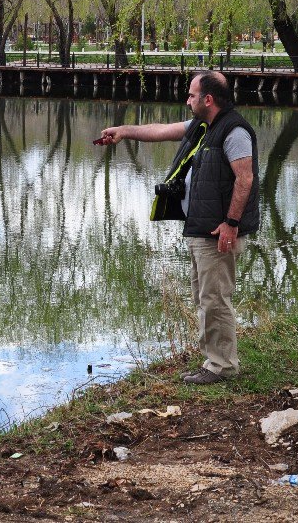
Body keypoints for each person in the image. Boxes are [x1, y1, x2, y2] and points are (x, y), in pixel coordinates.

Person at [99, 71, 259, 385]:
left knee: (215, 298)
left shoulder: (234, 130)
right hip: (201, 228)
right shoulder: (203, 127)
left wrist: (231, 224)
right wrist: (124, 131)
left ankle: (223, 367)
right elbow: (160, 130)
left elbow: (246, 179)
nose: (187, 100)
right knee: (204, 297)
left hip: (218, 232)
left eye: (191, 95)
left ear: (208, 99)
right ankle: (213, 361)